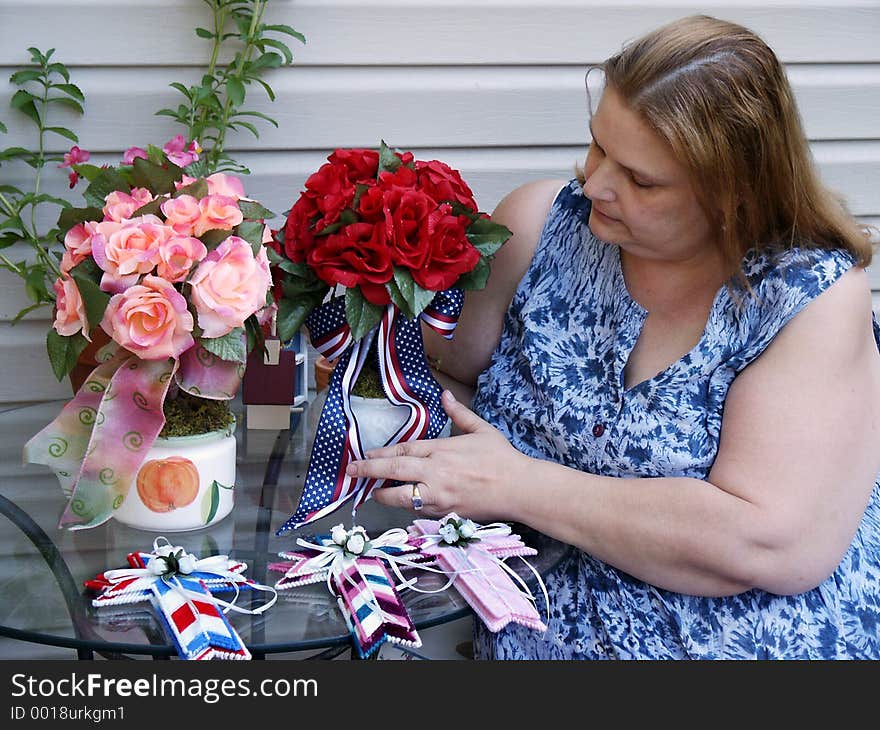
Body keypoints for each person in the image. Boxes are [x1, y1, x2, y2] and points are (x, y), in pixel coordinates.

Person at [344, 14, 880, 659]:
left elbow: (770, 545)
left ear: (733, 193)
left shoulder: (807, 298)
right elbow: (446, 371)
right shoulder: (542, 226)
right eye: (599, 146)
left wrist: (520, 486)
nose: (596, 183)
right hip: (535, 623)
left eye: (642, 179)